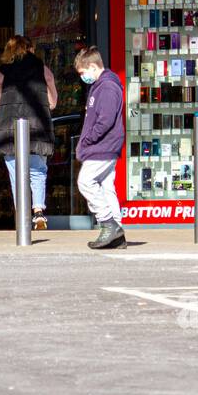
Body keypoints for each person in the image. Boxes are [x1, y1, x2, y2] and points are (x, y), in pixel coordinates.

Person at [0, 34, 56, 231]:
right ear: (29, 49)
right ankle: (38, 213)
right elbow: (52, 102)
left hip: (10, 128)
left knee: (15, 172)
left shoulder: (3, 71)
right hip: (37, 127)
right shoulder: (42, 68)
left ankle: (22, 214)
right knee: (37, 170)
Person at [74, 46, 126, 250]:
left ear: (93, 66)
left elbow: (104, 120)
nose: (82, 77)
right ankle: (117, 233)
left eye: (82, 72)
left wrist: (87, 140)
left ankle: (108, 223)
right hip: (106, 145)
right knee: (106, 186)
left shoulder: (106, 87)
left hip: (102, 146)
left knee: (85, 182)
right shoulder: (102, 85)